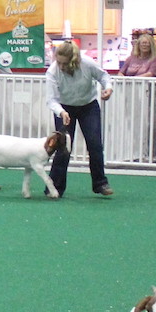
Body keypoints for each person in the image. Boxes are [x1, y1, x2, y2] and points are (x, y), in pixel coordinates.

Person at [45, 40, 114, 197]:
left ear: (73, 60)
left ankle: (100, 183)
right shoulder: (52, 72)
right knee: (63, 148)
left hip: (88, 106)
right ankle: (54, 187)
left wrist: (108, 89)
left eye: (65, 63)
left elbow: (104, 76)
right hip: (64, 108)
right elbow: (51, 99)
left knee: (95, 144)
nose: (61, 67)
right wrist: (61, 112)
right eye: (59, 62)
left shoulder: (88, 63)